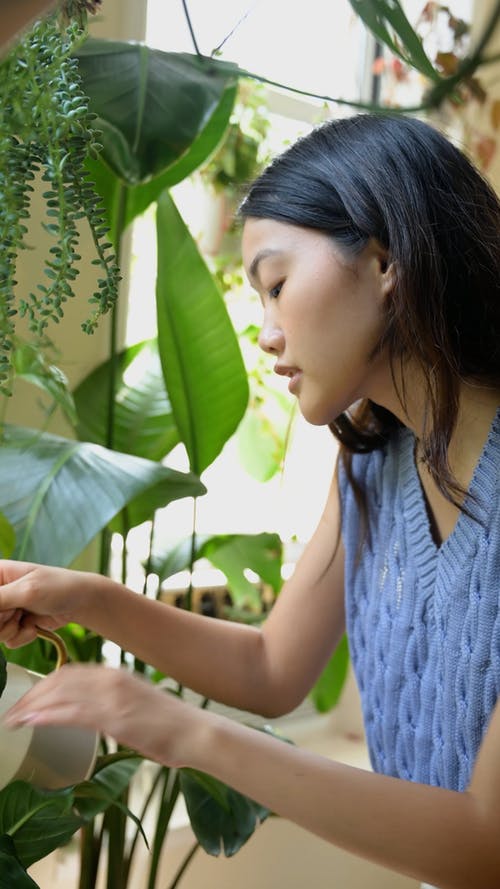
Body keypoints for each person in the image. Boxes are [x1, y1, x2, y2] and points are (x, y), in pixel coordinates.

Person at [0, 113, 499, 889]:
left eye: (277, 284)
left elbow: (485, 839)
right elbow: (273, 667)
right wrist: (86, 598)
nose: (265, 333)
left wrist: (181, 729)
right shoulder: (372, 466)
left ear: (384, 259)